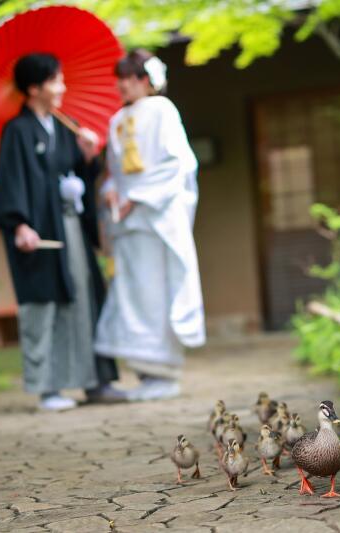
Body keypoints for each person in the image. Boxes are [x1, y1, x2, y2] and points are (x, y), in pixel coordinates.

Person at [0, 53, 122, 410]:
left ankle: (95, 381)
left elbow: (78, 175)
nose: (62, 87)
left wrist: (88, 157)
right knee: (44, 305)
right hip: (39, 234)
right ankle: (48, 388)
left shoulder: (66, 127)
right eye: (55, 80)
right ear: (34, 88)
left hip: (71, 226)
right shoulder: (18, 131)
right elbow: (10, 182)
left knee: (85, 297)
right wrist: (19, 224)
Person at [94, 49, 206, 401]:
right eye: (120, 79)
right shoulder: (116, 120)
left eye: (130, 78)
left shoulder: (162, 110)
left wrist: (138, 196)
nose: (123, 85)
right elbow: (115, 172)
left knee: (157, 292)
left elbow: (177, 164)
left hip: (155, 219)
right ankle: (145, 372)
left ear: (146, 80)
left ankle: (165, 372)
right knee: (133, 294)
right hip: (127, 223)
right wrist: (112, 192)